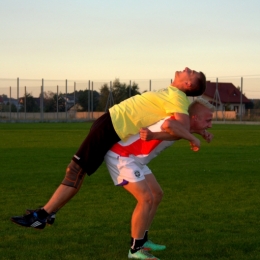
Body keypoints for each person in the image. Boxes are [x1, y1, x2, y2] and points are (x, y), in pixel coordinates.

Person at [11, 67, 206, 230]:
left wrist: (192, 138)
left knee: (75, 171)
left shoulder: (179, 97)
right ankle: (49, 212)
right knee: (76, 170)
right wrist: (196, 136)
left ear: (188, 85)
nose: (187, 69)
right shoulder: (172, 92)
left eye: (192, 72)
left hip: (112, 127)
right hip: (110, 123)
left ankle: (41, 216)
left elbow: (182, 124)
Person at [104, 98, 214, 259]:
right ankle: (135, 250)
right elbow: (169, 126)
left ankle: (143, 240)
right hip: (122, 156)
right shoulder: (177, 121)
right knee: (146, 198)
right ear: (194, 118)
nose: (210, 124)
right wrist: (193, 138)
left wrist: (202, 133)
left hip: (137, 160)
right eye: (208, 120)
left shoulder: (185, 124)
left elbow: (181, 130)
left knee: (156, 194)